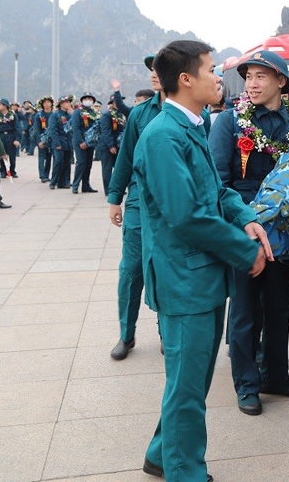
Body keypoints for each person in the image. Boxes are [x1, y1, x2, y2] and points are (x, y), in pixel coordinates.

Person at [133, 39, 269, 482]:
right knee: (188, 389)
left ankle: (160, 452)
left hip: (202, 277)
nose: (219, 77)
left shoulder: (193, 124)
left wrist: (245, 218)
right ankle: (185, 472)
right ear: (186, 79)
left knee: (190, 383)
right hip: (183, 280)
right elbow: (187, 216)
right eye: (211, 69)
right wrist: (242, 250)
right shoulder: (162, 137)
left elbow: (218, 190)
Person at [208, 49, 289, 417]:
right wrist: (239, 225)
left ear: (281, 81)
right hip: (242, 227)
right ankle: (247, 383)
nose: (253, 83)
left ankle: (275, 374)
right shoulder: (230, 123)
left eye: (262, 76)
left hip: (282, 229)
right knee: (244, 310)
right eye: (248, 77)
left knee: (279, 306)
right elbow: (217, 180)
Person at [107, 55, 164, 360]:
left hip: (174, 205)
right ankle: (126, 335)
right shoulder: (140, 114)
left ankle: (166, 332)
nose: (154, 74)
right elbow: (125, 158)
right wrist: (115, 197)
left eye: (160, 68)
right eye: (152, 69)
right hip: (140, 203)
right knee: (131, 271)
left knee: (167, 269)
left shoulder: (196, 112)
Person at [70, 92, 100, 194]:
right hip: (80, 142)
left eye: (90, 98)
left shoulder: (93, 113)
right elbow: (75, 128)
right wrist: (80, 141)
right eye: (86, 98)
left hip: (90, 142)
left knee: (88, 164)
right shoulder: (77, 112)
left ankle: (86, 186)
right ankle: (75, 185)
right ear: (82, 101)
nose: (88, 100)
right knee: (81, 163)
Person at [96, 97, 126, 195]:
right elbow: (105, 132)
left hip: (118, 145)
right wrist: (110, 146)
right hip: (107, 146)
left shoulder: (121, 115)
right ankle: (108, 190)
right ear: (112, 103)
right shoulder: (106, 115)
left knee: (119, 168)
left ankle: (117, 188)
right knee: (107, 168)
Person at [46, 95, 74, 189]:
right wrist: (57, 143)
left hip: (68, 142)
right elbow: (53, 130)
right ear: (61, 104)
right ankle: (53, 182)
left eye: (69, 102)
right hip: (59, 142)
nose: (68, 104)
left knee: (67, 163)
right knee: (58, 162)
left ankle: (63, 182)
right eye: (66, 102)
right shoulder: (55, 115)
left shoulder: (69, 115)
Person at [0, 99, 20, 178]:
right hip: (1, 135)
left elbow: (17, 127)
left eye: (0, 104)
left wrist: (17, 139)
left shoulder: (13, 115)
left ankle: (12, 170)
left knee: (12, 155)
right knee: (1, 154)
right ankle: (3, 170)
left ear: (5, 106)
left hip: (10, 135)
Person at [33, 96, 54, 183]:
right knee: (42, 157)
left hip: (51, 139)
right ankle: (42, 175)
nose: (47, 104)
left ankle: (46, 174)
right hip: (42, 138)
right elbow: (37, 129)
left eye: (48, 102)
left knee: (49, 157)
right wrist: (39, 141)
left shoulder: (54, 114)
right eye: (45, 102)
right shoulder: (39, 115)